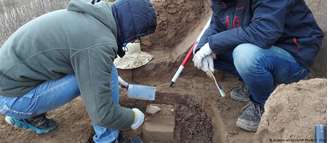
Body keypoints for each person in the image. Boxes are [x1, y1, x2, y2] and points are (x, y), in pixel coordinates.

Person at [0, 0, 156, 142]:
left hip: (12, 80)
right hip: (11, 98)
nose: (131, 41)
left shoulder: (94, 17)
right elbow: (102, 114)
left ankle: (27, 115)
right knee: (106, 73)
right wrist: (134, 117)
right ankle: (107, 139)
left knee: (104, 70)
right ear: (131, 29)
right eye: (135, 37)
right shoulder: (97, 44)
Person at [193, 0, 323, 132]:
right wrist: (202, 47)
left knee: (244, 55)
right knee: (208, 52)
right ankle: (255, 83)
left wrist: (212, 44)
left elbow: (264, 33)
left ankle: (262, 103)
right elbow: (217, 24)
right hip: (263, 47)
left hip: (293, 54)